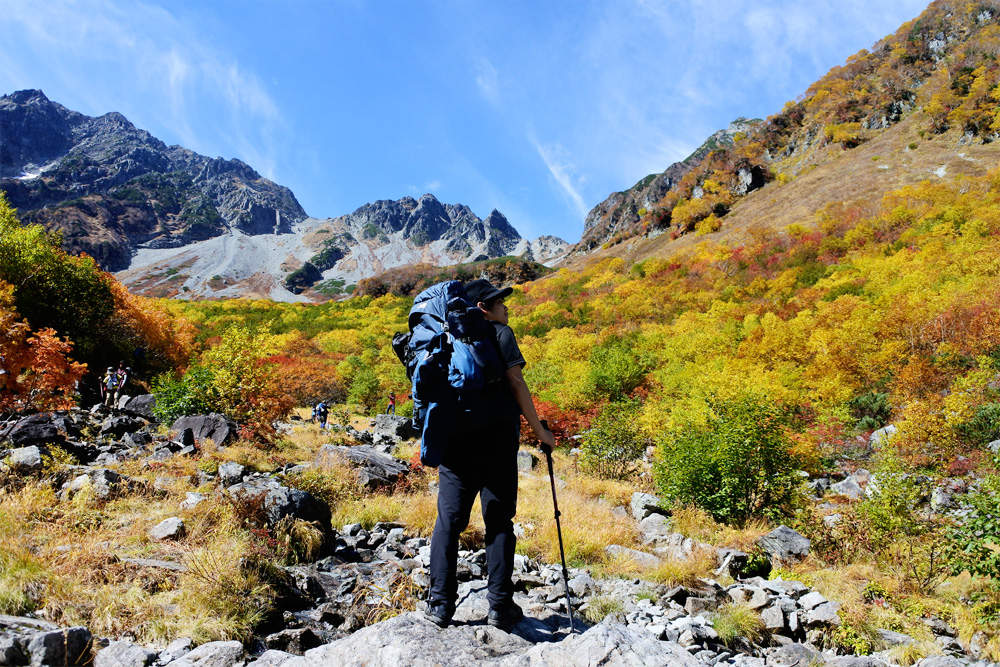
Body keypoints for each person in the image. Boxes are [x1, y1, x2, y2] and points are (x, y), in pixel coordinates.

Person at [424, 279, 555, 630]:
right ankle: (499, 607)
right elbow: (515, 382)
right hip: (496, 441)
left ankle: (439, 605)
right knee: (498, 521)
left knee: (449, 523)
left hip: (454, 443)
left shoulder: (444, 337)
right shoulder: (500, 334)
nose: (506, 307)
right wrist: (540, 431)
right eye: (499, 301)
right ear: (483, 307)